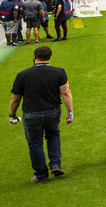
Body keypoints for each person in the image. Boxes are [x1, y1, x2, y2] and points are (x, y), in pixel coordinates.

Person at [9, 45, 73, 182]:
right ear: (50, 57)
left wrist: (12, 115)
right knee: (53, 136)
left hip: (32, 114)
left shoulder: (23, 75)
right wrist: (70, 111)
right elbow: (65, 93)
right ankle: (55, 164)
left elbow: (15, 99)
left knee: (35, 144)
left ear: (34, 57)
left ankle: (41, 174)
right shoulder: (59, 72)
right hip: (53, 111)